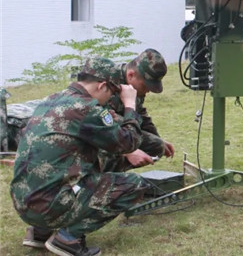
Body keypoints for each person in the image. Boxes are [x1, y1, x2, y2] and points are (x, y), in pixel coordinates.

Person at [10, 57, 152, 256]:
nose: (110, 98)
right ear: (103, 85)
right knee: (134, 185)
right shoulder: (88, 109)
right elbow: (129, 142)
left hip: (23, 201)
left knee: (98, 160)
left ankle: (40, 232)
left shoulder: (51, 100)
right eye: (111, 92)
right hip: (49, 204)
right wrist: (129, 105)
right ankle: (68, 239)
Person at [100, 48, 174, 171]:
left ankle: (114, 173)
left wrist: (158, 139)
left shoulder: (135, 86)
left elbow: (140, 114)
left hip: (119, 133)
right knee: (116, 120)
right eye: (146, 86)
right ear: (131, 75)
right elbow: (94, 122)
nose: (148, 91)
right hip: (92, 136)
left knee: (156, 146)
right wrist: (128, 152)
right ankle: (101, 175)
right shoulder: (106, 83)